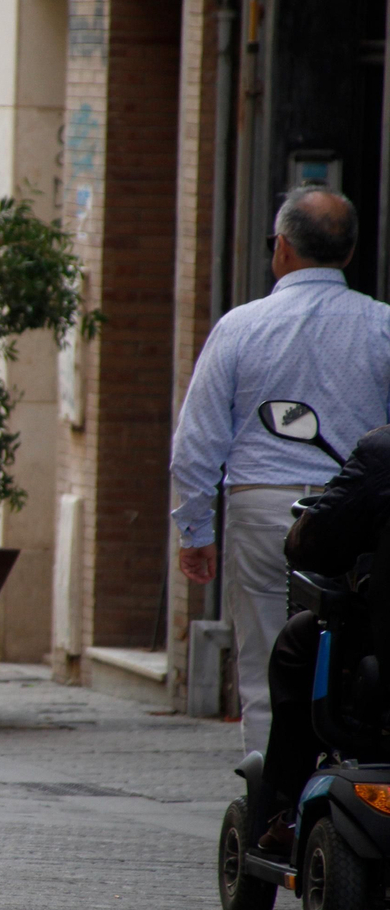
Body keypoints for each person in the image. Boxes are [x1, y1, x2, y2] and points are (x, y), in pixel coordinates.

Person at [172, 185, 390, 753]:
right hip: (358, 515)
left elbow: (197, 440)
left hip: (262, 507)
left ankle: (271, 803)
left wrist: (195, 532)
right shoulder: (382, 326)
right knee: (360, 647)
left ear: (283, 248)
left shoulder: (241, 327)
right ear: (347, 252)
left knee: (265, 658)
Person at [254, 423, 390, 853]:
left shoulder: (382, 452)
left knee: (302, 639)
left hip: (378, 664)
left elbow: (312, 547)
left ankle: (284, 810)